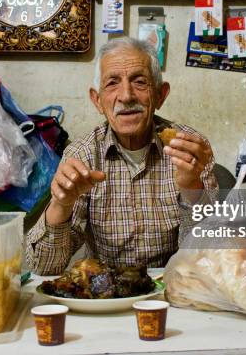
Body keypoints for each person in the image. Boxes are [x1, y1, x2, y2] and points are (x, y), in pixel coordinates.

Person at [27, 37, 218, 275]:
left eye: (139, 82)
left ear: (160, 95)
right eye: (112, 83)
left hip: (174, 291)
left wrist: (193, 189)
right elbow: (44, 268)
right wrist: (60, 205)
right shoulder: (82, 155)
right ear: (97, 100)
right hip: (107, 294)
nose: (126, 96)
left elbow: (208, 259)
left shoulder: (189, 150)